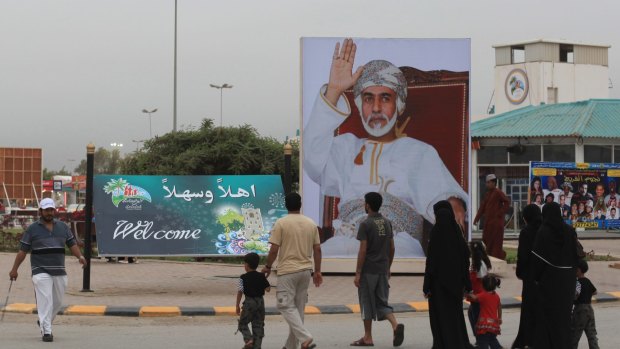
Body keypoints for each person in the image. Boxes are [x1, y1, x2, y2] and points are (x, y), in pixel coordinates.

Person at [303, 38, 468, 258]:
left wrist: (453, 203)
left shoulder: (419, 152)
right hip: (346, 242)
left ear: (398, 105)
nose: (377, 108)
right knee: (319, 261)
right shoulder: (345, 147)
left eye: (385, 98)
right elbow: (311, 158)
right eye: (368, 99)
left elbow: (442, 193)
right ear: (360, 107)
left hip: (398, 244)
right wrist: (333, 91)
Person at [8, 198, 86, 342]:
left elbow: (72, 244)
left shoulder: (63, 227)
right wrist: (14, 270)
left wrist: (80, 257)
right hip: (40, 269)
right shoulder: (32, 229)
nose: (49, 213)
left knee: (57, 302)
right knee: (46, 300)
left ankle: (45, 321)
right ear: (40, 211)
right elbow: (22, 251)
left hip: (59, 270)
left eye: (51, 210)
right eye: (46, 210)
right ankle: (47, 331)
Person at [261, 193, 322, 349]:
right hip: (305, 271)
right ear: (300, 205)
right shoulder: (310, 223)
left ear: (286, 205)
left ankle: (306, 337)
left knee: (285, 305)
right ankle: (290, 346)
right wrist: (317, 271)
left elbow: (274, 249)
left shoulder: (281, 223)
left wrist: (268, 266)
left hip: (288, 271)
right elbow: (317, 249)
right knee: (298, 309)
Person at [350, 192, 404, 347]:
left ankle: (368, 337)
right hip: (382, 269)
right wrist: (388, 267)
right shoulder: (387, 222)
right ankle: (395, 325)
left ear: (368, 205)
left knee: (366, 301)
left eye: (364, 203)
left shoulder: (365, 224)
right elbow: (392, 248)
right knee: (382, 302)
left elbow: (363, 250)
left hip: (368, 270)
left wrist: (358, 272)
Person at [423, 199, 473, 349]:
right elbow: (465, 260)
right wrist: (467, 285)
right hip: (455, 286)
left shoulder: (436, 233)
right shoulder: (457, 233)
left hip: (438, 287)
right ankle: (457, 342)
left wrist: (426, 287)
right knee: (454, 316)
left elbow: (431, 263)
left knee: (440, 317)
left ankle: (442, 343)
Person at [532, 202, 579, 349]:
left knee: (549, 319)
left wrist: (536, 279)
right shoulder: (570, 231)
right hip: (568, 282)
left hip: (550, 282)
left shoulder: (543, 232)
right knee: (564, 318)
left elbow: (537, 262)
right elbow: (576, 256)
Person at [511, 204, 542, 349]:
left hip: (530, 277)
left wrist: (520, 272)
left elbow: (522, 256)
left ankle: (526, 339)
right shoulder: (545, 230)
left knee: (529, 310)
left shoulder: (526, 232)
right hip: (545, 277)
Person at [236, 252, 271, 349]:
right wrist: (264, 278)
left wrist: (237, 306)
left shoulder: (242, 277)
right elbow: (268, 289)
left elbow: (240, 292)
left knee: (242, 323)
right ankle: (256, 346)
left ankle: (248, 339)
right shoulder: (261, 276)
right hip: (260, 302)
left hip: (249, 302)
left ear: (246, 265)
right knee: (258, 325)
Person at [474, 174, 511, 260]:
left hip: (497, 223)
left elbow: (507, 202)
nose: (487, 184)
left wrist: (500, 213)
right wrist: (476, 218)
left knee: (496, 243)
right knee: (486, 241)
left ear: (494, 183)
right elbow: (482, 207)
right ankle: (489, 259)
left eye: (488, 182)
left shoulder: (498, 192)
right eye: (486, 183)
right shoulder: (487, 194)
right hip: (488, 223)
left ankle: (498, 259)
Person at [467, 275, 503, 349]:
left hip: (484, 325)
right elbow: (499, 307)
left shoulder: (483, 295)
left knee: (482, 342)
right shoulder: (496, 296)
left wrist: (467, 293)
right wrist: (499, 318)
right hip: (493, 325)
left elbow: (474, 297)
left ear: (483, 286)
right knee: (492, 340)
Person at [468, 241, 492, 347]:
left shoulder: (479, 264)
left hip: (478, 297)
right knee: (472, 315)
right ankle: (480, 340)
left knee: (477, 320)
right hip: (475, 297)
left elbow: (483, 280)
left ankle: (481, 342)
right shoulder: (476, 263)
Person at [571, 259, 599, 349]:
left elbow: (576, 295)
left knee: (575, 334)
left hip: (580, 310)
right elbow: (595, 292)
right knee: (592, 334)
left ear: (578, 270)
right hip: (589, 308)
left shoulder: (577, 282)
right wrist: (587, 294)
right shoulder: (587, 281)